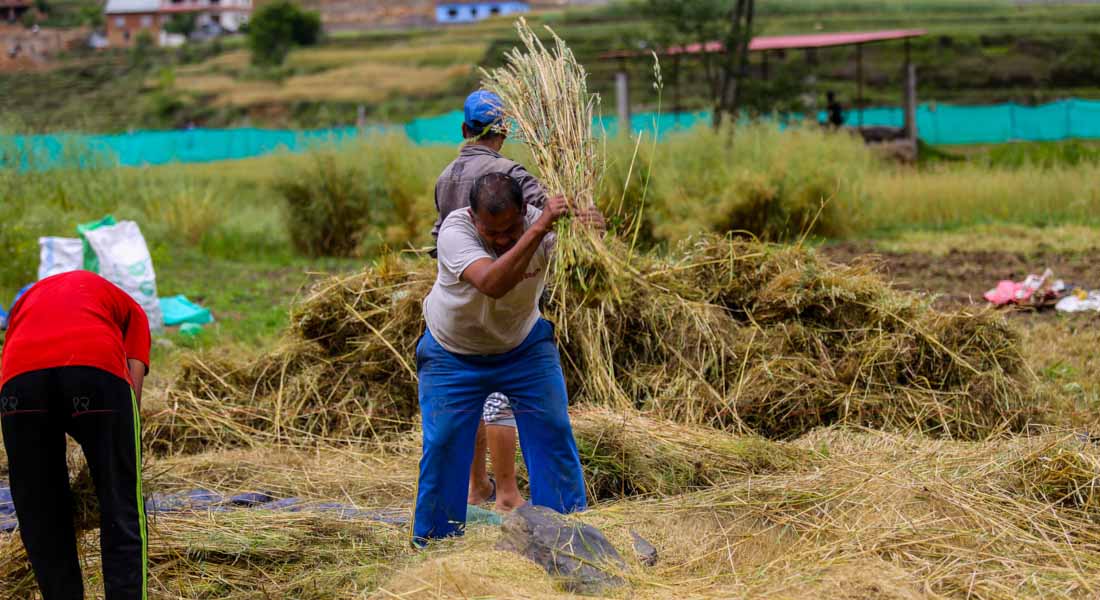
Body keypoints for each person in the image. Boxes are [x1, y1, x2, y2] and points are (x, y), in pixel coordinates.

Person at [413, 172, 587, 544]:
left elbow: (585, 267)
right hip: (452, 353)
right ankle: (435, 544)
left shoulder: (546, 228)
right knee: (443, 443)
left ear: (523, 211)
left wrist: (591, 235)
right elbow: (492, 284)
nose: (503, 239)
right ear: (473, 217)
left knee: (553, 429)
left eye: (511, 229)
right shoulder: (454, 232)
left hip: (522, 346)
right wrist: (537, 229)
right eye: (491, 233)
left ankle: (566, 537)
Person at [0, 271, 151, 599]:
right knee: (120, 501)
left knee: (39, 510)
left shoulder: (28, 300)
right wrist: (113, 456)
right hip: (93, 368)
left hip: (19, 381)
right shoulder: (134, 311)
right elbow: (131, 401)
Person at [432, 90, 546, 513]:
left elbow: (439, 231)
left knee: (471, 396)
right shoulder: (510, 172)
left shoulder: (446, 176)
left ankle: (475, 488)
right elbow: (545, 220)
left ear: (464, 130)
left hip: (458, 296)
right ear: (505, 131)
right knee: (500, 395)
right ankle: (508, 495)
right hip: (503, 292)